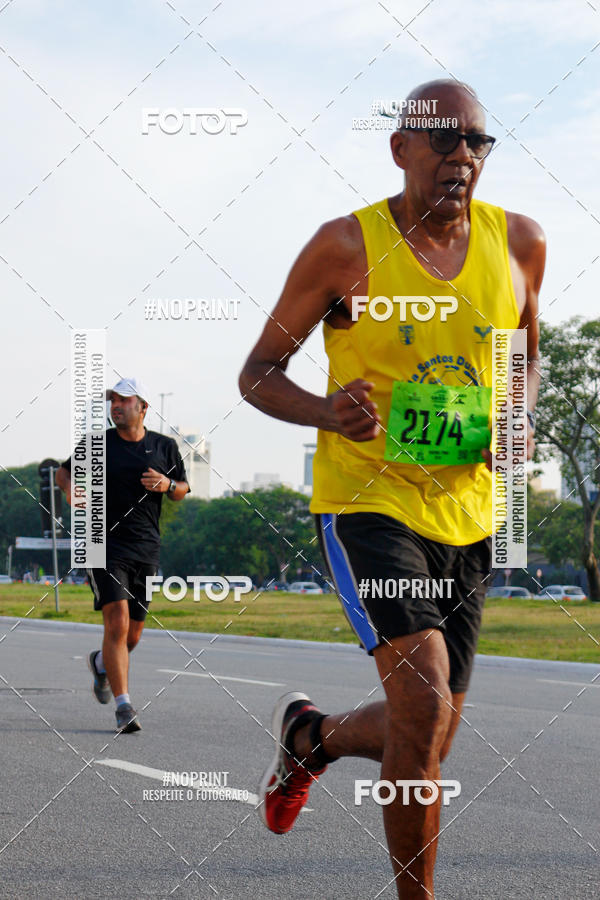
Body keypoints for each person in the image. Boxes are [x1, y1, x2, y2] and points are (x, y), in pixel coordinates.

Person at [239, 80, 544, 897]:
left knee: (429, 733)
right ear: (400, 148)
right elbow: (257, 372)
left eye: (477, 140)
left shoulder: (520, 242)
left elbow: (524, 356)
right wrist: (326, 412)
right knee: (422, 704)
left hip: (468, 513)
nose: (462, 155)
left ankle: (312, 739)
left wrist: (516, 415)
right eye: (443, 138)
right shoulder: (345, 246)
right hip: (367, 503)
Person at [56, 377, 189, 733]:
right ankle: (124, 706)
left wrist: (168, 485)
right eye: (113, 400)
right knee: (117, 621)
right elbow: (63, 472)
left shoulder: (164, 446)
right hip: (103, 545)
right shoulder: (97, 444)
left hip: (146, 547)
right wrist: (71, 490)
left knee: (132, 635)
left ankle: (101, 663)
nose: (115, 405)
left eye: (123, 400)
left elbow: (182, 488)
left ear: (143, 407)